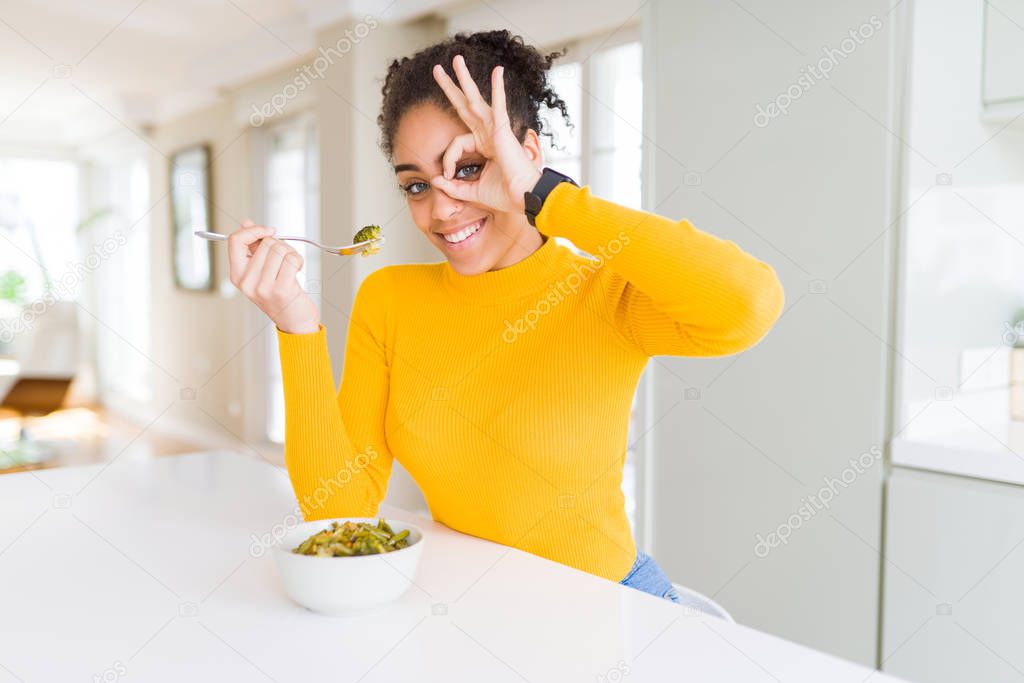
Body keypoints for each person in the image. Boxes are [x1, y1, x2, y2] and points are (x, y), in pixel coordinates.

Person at [227, 30, 784, 605]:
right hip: (471, 607)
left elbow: (747, 305)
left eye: (468, 168)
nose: (440, 209)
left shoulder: (604, 292)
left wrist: (548, 197)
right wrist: (294, 325)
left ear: (529, 157)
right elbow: (338, 508)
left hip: (606, 604)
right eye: (417, 184)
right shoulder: (388, 298)